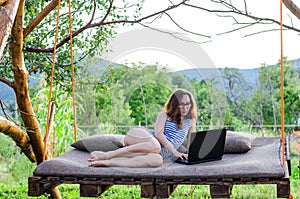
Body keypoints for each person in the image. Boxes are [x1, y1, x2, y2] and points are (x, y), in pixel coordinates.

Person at [87, 88, 197, 167]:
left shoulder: (190, 121)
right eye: (181, 104)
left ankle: (109, 163)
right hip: (139, 136)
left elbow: (191, 141)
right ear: (174, 104)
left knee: (158, 161)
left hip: (151, 151)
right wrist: (175, 152)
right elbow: (158, 134)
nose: (185, 107)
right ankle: (107, 155)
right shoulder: (164, 115)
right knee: (156, 145)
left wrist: (193, 155)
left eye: (188, 104)